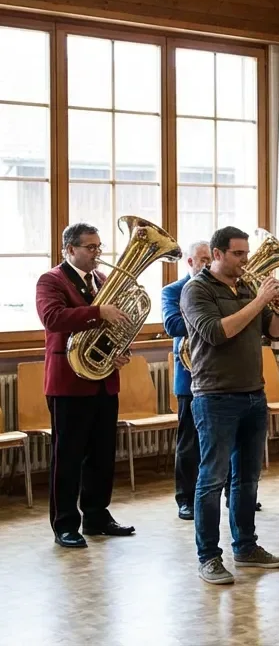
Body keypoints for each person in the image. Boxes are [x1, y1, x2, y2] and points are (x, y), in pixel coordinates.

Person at [182, 226, 279, 584]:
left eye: (246, 253)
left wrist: (277, 308)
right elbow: (216, 332)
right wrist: (259, 300)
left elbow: (272, 334)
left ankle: (245, 547)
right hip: (215, 396)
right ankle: (208, 556)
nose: (246, 260)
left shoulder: (246, 287)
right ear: (217, 254)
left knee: (247, 478)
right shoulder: (195, 290)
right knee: (211, 479)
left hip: (253, 393)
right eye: (239, 254)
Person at [35, 223, 135, 549]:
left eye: (98, 246)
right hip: (69, 383)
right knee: (68, 456)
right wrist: (98, 312)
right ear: (69, 250)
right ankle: (64, 523)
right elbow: (53, 318)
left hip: (104, 380)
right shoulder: (51, 280)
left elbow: (114, 327)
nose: (97, 253)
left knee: (103, 454)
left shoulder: (103, 281)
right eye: (90, 247)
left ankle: (96, 515)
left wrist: (119, 351)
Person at [163, 240, 211, 521]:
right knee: (189, 441)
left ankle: (230, 493)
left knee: (223, 441)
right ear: (190, 262)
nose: (206, 264)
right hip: (189, 374)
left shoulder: (220, 287)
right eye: (201, 259)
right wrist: (207, 317)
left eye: (209, 259)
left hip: (218, 374)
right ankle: (185, 498)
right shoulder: (172, 291)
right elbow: (173, 325)